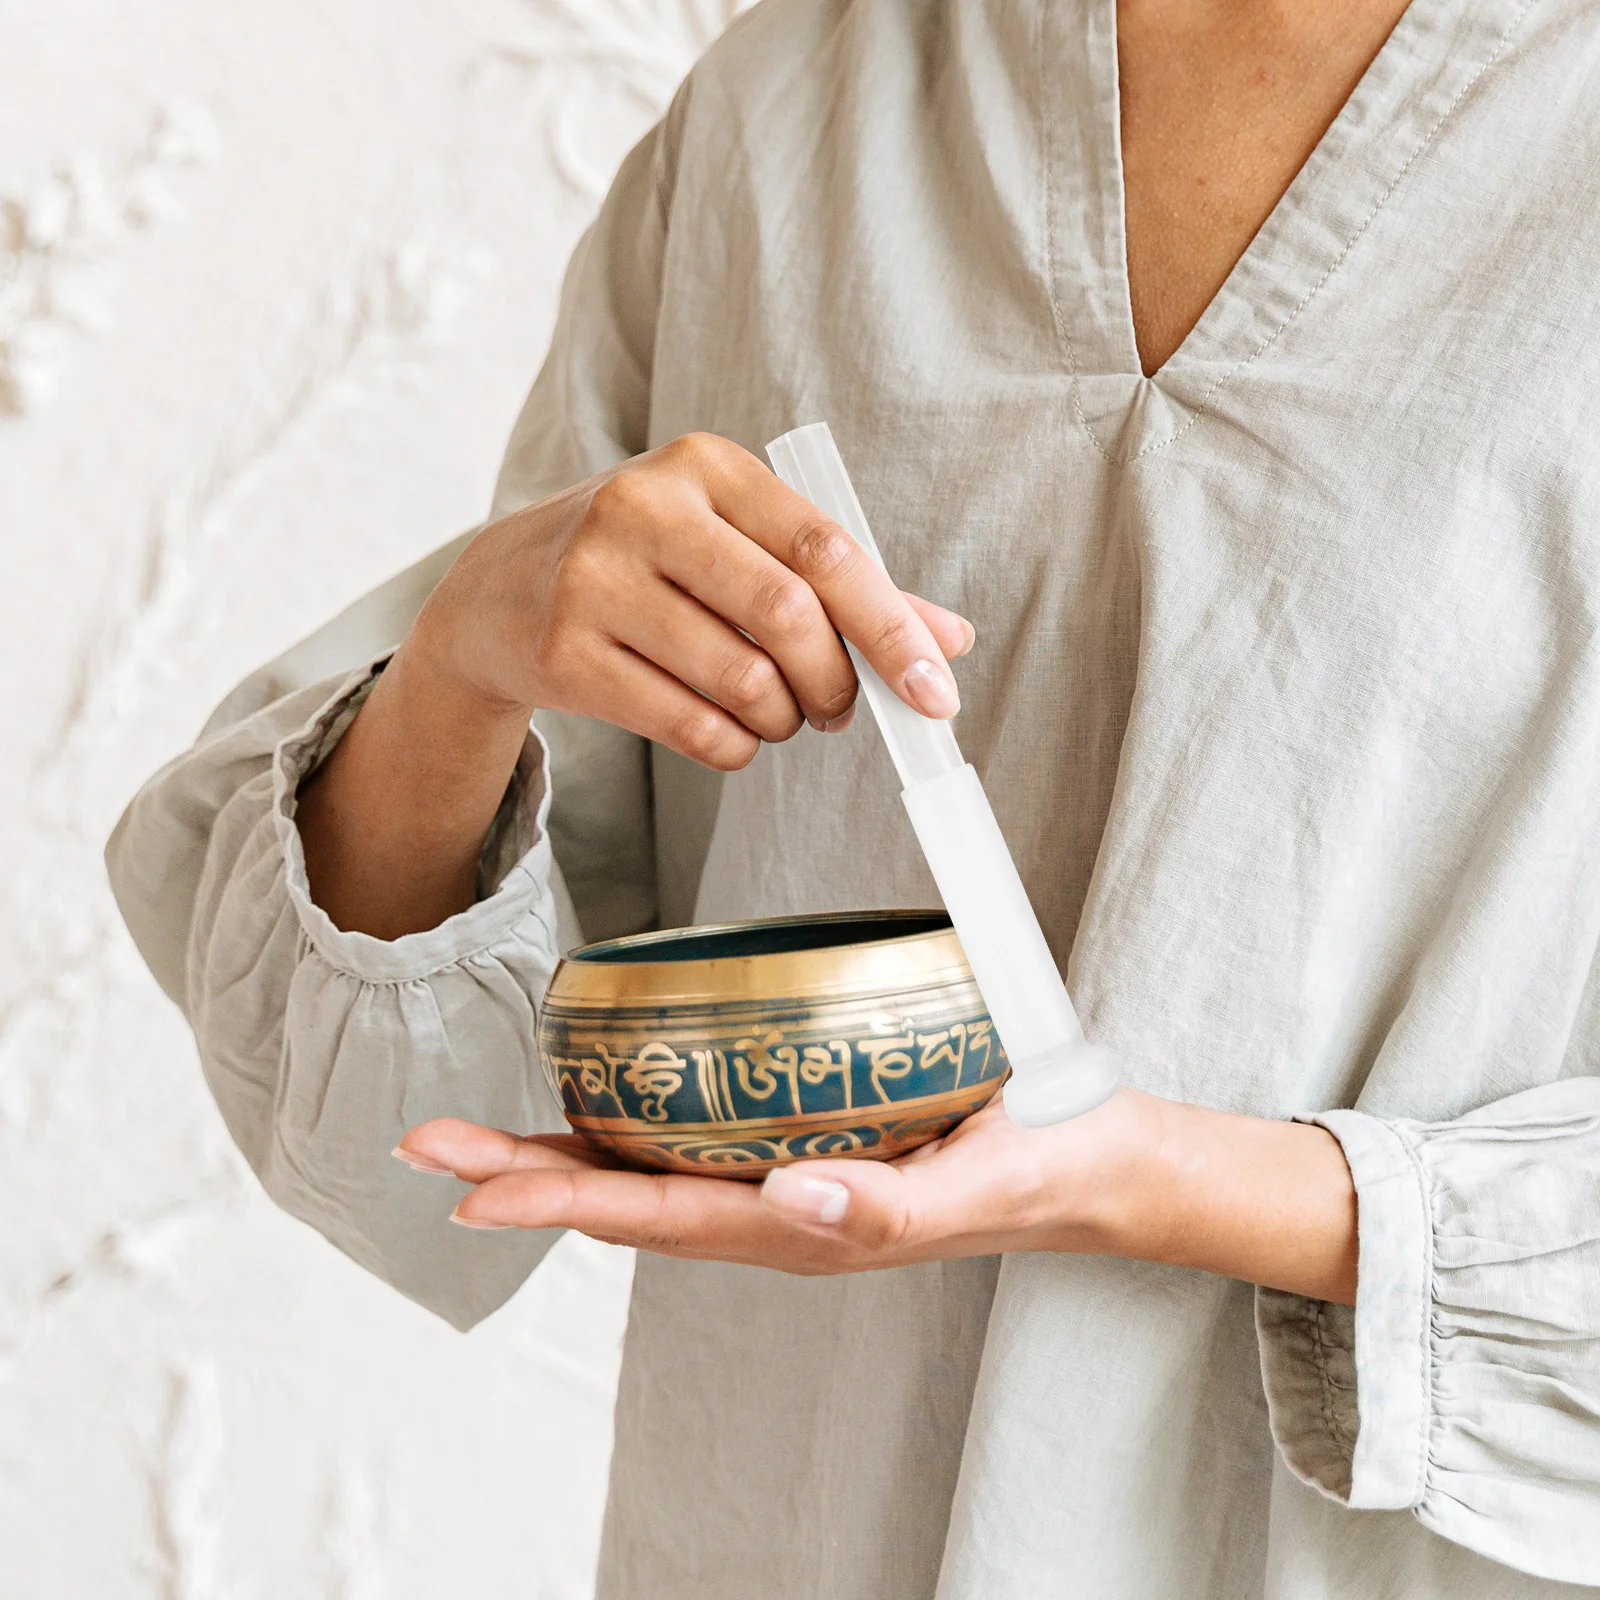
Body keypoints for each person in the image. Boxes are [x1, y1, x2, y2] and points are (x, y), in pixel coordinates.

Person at [108, 0, 1600, 1593]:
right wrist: (468, 664)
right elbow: (412, 1122)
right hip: (782, 1526)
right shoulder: (792, 111)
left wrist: (1193, 1182)